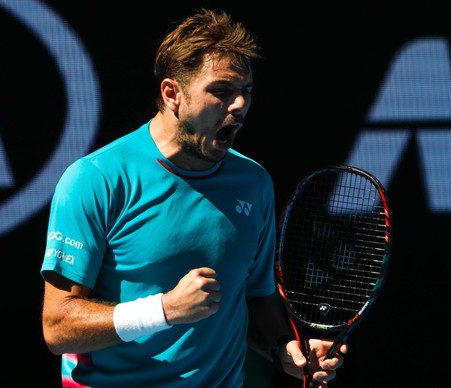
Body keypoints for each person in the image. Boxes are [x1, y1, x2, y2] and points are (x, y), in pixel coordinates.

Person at [40, 8, 347, 387]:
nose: (239, 106)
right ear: (173, 94)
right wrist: (165, 310)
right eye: (221, 91)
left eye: (245, 93)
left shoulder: (253, 183)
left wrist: (283, 349)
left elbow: (250, 299)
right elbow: (58, 327)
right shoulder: (95, 179)